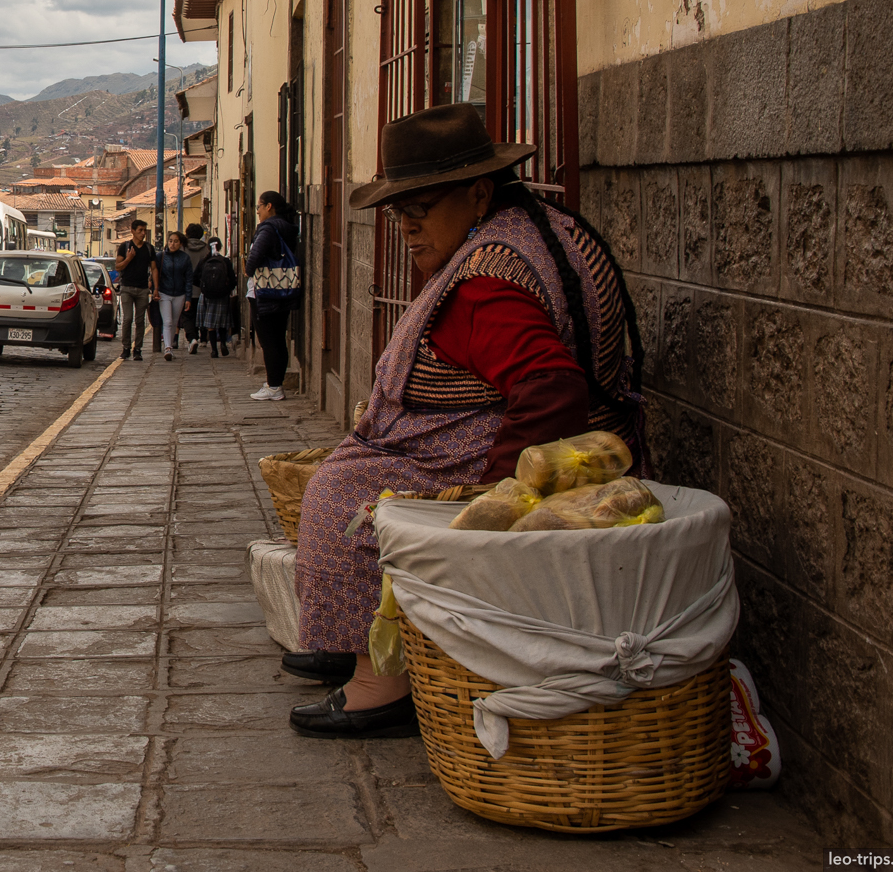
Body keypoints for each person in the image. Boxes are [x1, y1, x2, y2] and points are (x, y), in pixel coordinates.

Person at [288, 104, 645, 740]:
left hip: (484, 461)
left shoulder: (484, 284)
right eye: (400, 213)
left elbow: (551, 387)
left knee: (344, 497)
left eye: (421, 208)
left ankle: (383, 677)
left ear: (480, 194)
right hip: (538, 437)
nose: (407, 228)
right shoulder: (534, 231)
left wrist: (499, 493)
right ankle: (349, 639)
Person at [243, 192, 301, 399]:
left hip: (265, 291)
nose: (257, 211)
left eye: (258, 207)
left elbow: (255, 256)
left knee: (268, 341)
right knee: (278, 339)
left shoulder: (268, 229)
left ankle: (274, 386)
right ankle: (276, 383)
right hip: (283, 289)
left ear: (269, 206)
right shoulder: (287, 227)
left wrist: (248, 270)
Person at [113, 219, 159, 360]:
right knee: (127, 319)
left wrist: (156, 288)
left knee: (140, 321)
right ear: (133, 231)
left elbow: (154, 268)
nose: (143, 233)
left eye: (144, 230)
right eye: (140, 230)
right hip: (127, 287)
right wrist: (129, 258)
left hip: (143, 289)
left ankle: (137, 349)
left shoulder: (149, 248)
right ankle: (126, 347)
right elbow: (118, 266)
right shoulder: (125, 246)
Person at [193, 240, 238, 361]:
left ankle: (214, 350)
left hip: (207, 295)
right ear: (221, 247)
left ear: (208, 247)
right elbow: (233, 280)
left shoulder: (204, 261)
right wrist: (226, 289)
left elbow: (194, 277)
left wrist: (204, 287)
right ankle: (223, 343)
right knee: (222, 322)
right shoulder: (225, 261)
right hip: (222, 295)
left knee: (210, 324)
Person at [155, 231, 193, 360]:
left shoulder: (185, 258)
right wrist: (155, 289)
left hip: (180, 294)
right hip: (164, 292)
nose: (172, 244)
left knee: (175, 322)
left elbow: (189, 279)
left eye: (176, 241)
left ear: (180, 243)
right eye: (170, 241)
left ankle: (170, 346)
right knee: (168, 321)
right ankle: (168, 348)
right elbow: (154, 272)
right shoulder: (161, 256)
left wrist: (188, 297)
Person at [183, 224, 213, 353]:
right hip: (203, 288)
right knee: (203, 313)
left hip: (187, 288)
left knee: (188, 315)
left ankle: (192, 338)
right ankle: (204, 339)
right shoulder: (206, 249)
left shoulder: (183, 248)